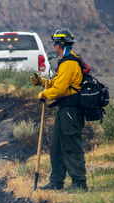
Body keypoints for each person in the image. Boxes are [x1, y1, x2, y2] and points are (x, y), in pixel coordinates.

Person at [31, 28, 88, 191]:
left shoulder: (69, 63)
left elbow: (59, 90)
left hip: (71, 111)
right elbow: (59, 83)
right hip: (64, 111)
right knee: (56, 146)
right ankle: (56, 182)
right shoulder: (66, 62)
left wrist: (44, 93)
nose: (54, 46)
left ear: (58, 45)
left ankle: (79, 183)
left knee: (70, 146)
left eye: (55, 43)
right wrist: (43, 82)